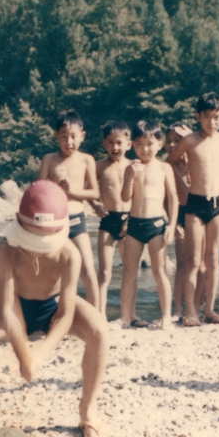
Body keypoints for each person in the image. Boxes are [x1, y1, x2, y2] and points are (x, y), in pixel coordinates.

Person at [0, 180, 109, 437]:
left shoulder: (69, 254)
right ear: (19, 223)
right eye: (32, 238)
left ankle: (89, 411)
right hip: (17, 306)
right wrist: (23, 355)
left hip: (54, 306)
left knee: (100, 330)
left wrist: (38, 354)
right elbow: (8, 310)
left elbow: (65, 315)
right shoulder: (6, 250)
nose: (37, 246)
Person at [167, 92, 219, 326]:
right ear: (198, 117)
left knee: (214, 258)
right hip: (195, 203)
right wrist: (183, 186)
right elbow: (171, 161)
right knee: (193, 261)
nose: (211, 122)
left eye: (216, 117)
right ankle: (191, 311)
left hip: (218, 204)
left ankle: (210, 309)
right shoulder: (190, 141)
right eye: (206, 117)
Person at [39, 110, 100, 310]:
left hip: (76, 220)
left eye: (73, 137)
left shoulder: (86, 160)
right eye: (64, 137)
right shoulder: (49, 159)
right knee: (56, 271)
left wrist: (72, 191)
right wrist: (56, 187)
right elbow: (39, 191)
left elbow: (94, 192)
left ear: (82, 136)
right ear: (56, 137)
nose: (69, 142)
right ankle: (57, 315)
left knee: (87, 269)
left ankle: (96, 315)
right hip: (54, 222)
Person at [120, 121, 178, 329]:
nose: (145, 149)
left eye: (149, 143)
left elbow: (173, 198)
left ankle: (165, 316)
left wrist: (171, 225)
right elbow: (125, 197)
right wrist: (129, 178)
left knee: (159, 271)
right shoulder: (131, 167)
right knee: (129, 272)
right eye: (139, 144)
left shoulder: (164, 168)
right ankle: (125, 317)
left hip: (156, 224)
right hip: (134, 224)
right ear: (133, 145)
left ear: (159, 144)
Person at [93, 121, 132, 318]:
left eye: (119, 142)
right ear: (104, 144)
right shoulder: (99, 166)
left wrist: (131, 219)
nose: (115, 147)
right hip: (108, 220)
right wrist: (94, 205)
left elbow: (140, 196)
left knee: (129, 271)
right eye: (110, 143)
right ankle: (100, 314)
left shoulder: (133, 166)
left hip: (130, 220)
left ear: (128, 144)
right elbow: (88, 190)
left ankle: (129, 313)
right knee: (104, 272)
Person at [164, 121, 194, 321]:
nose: (173, 145)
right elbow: (166, 198)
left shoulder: (196, 161)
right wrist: (174, 223)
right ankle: (177, 309)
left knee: (199, 264)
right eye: (169, 141)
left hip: (199, 211)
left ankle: (197, 305)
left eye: (178, 140)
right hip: (179, 214)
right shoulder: (167, 165)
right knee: (182, 264)